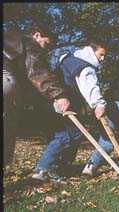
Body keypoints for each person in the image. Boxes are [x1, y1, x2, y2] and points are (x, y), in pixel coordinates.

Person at [32, 40, 108, 181]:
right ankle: (43, 168)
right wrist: (99, 104)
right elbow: (90, 87)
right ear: (91, 50)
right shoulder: (85, 67)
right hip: (63, 104)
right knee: (65, 136)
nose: (102, 59)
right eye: (101, 54)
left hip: (56, 103)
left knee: (75, 135)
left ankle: (60, 168)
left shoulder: (70, 59)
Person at [3, 23, 70, 167]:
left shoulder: (9, 40)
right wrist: (59, 95)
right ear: (37, 35)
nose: (46, 48)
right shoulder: (29, 42)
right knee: (7, 129)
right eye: (47, 43)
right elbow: (37, 72)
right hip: (5, 80)